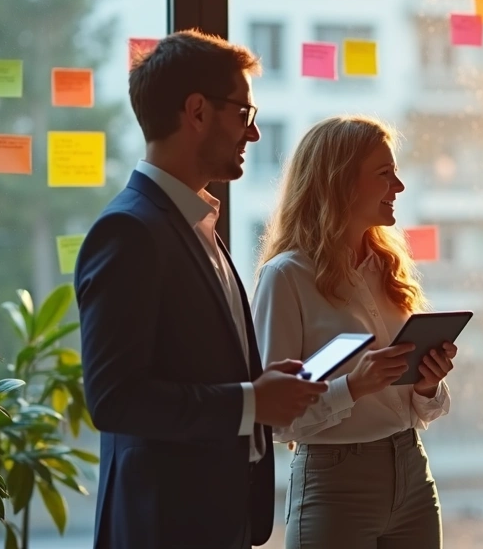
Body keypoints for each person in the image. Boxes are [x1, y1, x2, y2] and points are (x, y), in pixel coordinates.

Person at [76, 30, 326, 549]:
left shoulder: (195, 223)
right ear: (196, 112)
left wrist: (258, 383)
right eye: (244, 115)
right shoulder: (129, 231)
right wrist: (251, 401)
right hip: (163, 527)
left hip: (218, 519)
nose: (252, 135)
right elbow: (115, 399)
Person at [253, 115, 457, 549]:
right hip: (334, 482)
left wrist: (426, 384)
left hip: (412, 469)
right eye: (385, 174)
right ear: (341, 183)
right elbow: (273, 419)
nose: (399, 186)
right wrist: (353, 386)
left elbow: (415, 406)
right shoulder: (285, 277)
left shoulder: (388, 268)